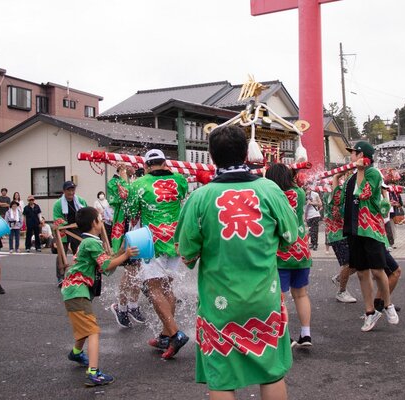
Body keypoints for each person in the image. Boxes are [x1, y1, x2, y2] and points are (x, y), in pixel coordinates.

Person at [175, 125, 299, 400]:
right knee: (272, 371)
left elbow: (186, 254)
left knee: (221, 378)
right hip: (263, 299)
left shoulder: (199, 198)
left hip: (219, 303)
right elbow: (291, 237)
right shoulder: (269, 190)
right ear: (246, 153)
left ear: (211, 156)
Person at [61, 206, 139, 387]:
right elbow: (106, 266)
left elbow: (106, 263)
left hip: (75, 292)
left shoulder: (89, 241)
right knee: (93, 330)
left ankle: (76, 353)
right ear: (94, 223)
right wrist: (126, 255)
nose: (102, 220)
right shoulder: (92, 243)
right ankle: (94, 373)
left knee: (84, 325)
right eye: (100, 218)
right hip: (77, 292)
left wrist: (120, 253)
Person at [129, 149, 189, 359]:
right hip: (175, 240)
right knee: (166, 287)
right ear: (165, 163)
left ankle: (175, 333)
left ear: (145, 166)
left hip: (151, 241)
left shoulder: (138, 184)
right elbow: (181, 197)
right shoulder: (179, 180)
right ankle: (165, 335)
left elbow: (131, 213)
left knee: (153, 288)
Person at [342, 141, 399, 332]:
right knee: (361, 272)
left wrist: (360, 170)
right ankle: (369, 312)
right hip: (354, 229)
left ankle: (387, 304)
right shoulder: (351, 177)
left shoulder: (373, 173)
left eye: (353, 153)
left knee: (378, 270)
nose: (351, 156)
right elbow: (342, 200)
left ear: (362, 155)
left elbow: (362, 194)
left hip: (371, 229)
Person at [266, 163, 313, 347]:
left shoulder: (271, 196)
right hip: (301, 250)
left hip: (281, 252)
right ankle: (306, 334)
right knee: (301, 294)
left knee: (278, 296)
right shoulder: (299, 193)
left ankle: (284, 335)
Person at [107, 165, 145, 328]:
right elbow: (125, 195)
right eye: (130, 164)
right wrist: (123, 176)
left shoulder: (136, 180)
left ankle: (133, 305)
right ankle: (121, 306)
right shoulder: (114, 182)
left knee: (139, 270)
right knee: (130, 271)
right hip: (126, 230)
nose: (134, 167)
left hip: (140, 229)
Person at [325, 171, 357, 303]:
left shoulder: (344, 197)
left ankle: (339, 278)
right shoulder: (334, 197)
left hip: (346, 234)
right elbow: (336, 178)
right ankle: (341, 291)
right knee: (347, 263)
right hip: (337, 235)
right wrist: (339, 174)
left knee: (358, 263)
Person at [53, 181, 87, 285]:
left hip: (77, 228)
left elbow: (86, 213)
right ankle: (60, 277)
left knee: (78, 252)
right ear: (64, 191)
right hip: (63, 229)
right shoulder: (58, 204)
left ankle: (78, 274)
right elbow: (57, 218)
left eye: (73, 190)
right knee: (61, 253)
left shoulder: (80, 200)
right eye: (69, 190)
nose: (71, 192)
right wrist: (65, 224)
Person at [304, 187, 322, 251]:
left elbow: (320, 204)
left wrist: (312, 203)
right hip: (308, 215)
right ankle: (312, 243)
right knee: (310, 230)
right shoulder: (303, 195)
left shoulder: (315, 194)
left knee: (314, 230)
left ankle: (315, 244)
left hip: (315, 214)